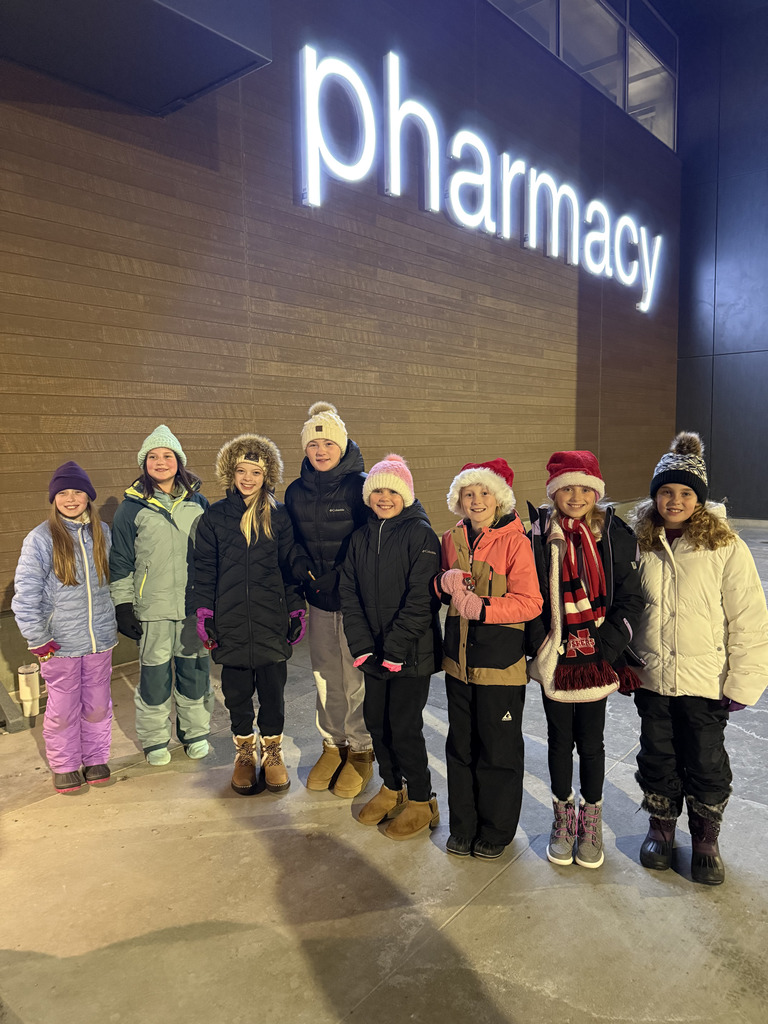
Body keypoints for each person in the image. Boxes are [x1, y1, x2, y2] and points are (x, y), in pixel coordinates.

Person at [628, 432, 768, 885]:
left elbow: (748, 617)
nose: (674, 500)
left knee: (706, 760)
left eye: (685, 493)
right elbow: (625, 609)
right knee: (657, 755)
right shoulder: (640, 542)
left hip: (706, 679)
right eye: (666, 492)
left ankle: (705, 837)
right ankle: (661, 828)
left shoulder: (723, 545)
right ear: (655, 496)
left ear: (699, 499)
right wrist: (623, 662)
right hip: (652, 676)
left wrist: (744, 680)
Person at [527, 451, 644, 869]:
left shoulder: (612, 534)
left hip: (596, 656)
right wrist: (543, 646)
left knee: (591, 743)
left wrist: (605, 649)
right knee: (558, 741)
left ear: (596, 492)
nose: (575, 496)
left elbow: (632, 598)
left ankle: (590, 818)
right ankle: (563, 817)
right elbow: (530, 597)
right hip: (555, 657)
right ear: (554, 492)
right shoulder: (538, 534)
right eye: (566, 488)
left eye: (584, 488)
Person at [435, 459, 542, 859]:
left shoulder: (515, 540)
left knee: (498, 751)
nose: (476, 500)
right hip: (458, 664)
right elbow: (444, 591)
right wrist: (442, 582)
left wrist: (482, 608)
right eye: (468, 493)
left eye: (484, 492)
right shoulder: (452, 539)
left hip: (500, 665)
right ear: (458, 500)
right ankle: (463, 826)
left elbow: (530, 602)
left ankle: (496, 831)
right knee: (461, 747)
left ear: (499, 498)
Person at [193, 433, 306, 794]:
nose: (247, 478)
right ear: (231, 474)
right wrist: (204, 611)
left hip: (271, 620)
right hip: (231, 621)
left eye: (255, 472)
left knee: (273, 691)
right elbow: (203, 568)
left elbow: (289, 569)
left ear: (266, 476)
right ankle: (244, 753)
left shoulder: (279, 516)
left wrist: (296, 609)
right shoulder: (215, 517)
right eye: (241, 470)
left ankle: (272, 752)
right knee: (237, 692)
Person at [339, 454, 442, 840]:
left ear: (406, 495)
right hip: (374, 654)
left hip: (410, 654)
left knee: (404, 727)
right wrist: (363, 645)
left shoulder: (421, 535)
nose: (384, 498)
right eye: (377, 491)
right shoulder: (361, 537)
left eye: (392, 491)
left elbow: (422, 600)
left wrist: (395, 649)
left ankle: (421, 798)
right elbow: (349, 593)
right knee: (377, 723)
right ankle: (392, 786)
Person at [284, 401, 373, 798]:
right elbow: (291, 541)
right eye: (313, 445)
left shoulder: (361, 486)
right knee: (323, 674)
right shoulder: (295, 491)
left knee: (355, 678)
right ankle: (332, 744)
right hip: (318, 597)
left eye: (328, 444)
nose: (320, 452)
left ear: (342, 446)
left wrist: (344, 573)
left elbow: (371, 539)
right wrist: (302, 565)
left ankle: (361, 749)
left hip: (354, 600)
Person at [109, 425, 211, 765]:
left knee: (194, 673)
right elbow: (121, 560)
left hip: (193, 607)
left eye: (167, 456)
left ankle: (194, 732)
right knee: (154, 678)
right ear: (144, 463)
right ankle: (154, 740)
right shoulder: (130, 509)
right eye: (153, 456)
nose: (161, 462)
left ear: (179, 461)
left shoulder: (199, 503)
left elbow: (213, 556)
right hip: (152, 608)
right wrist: (123, 604)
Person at [13, 462, 117, 793]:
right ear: (53, 498)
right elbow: (25, 594)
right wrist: (37, 637)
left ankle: (96, 757)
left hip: (99, 639)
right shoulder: (41, 539)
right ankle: (65, 764)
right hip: (59, 644)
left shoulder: (102, 533)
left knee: (98, 704)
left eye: (77, 492)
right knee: (62, 708)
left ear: (89, 497)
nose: (70, 499)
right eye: (63, 493)